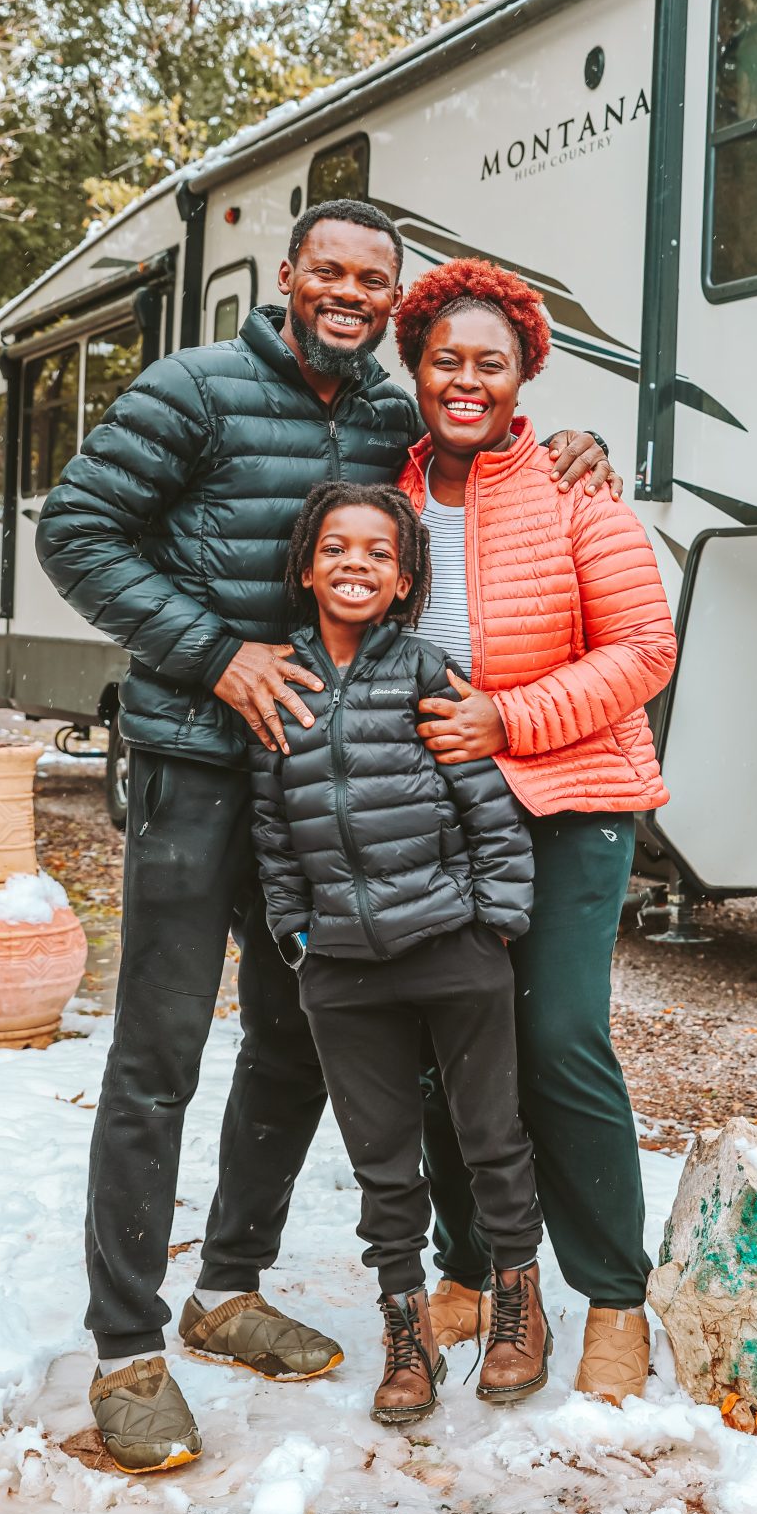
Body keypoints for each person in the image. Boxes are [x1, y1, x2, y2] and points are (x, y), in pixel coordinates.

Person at [35, 197, 613, 1474]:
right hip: (198, 763)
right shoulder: (189, 390)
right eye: (329, 270)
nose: (349, 292)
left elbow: (480, 458)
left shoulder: (392, 414)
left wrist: (568, 446)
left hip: (326, 787)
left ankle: (226, 1287)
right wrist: (215, 654)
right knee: (158, 1054)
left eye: (373, 279)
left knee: (298, 1038)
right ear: (289, 273)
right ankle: (127, 1345)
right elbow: (73, 531)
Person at [393, 259, 678, 1402]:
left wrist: (507, 719)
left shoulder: (576, 490)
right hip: (431, 811)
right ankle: (468, 1267)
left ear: (524, 378)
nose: (466, 379)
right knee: (444, 1046)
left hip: (570, 802)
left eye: (489, 362)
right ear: (415, 368)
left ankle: (614, 1293)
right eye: (445, 359)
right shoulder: (389, 489)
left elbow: (643, 652)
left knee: (557, 1038)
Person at [249, 482, 549, 1427]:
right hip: (340, 965)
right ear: (306, 567)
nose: (356, 565)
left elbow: (486, 806)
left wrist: (495, 923)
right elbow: (270, 827)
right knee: (384, 1163)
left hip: (452, 945)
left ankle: (516, 1306)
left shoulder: (425, 671)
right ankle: (406, 1330)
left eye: (379, 553)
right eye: (336, 548)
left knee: (490, 1137)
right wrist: (297, 933)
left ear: (406, 578)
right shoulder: (281, 687)